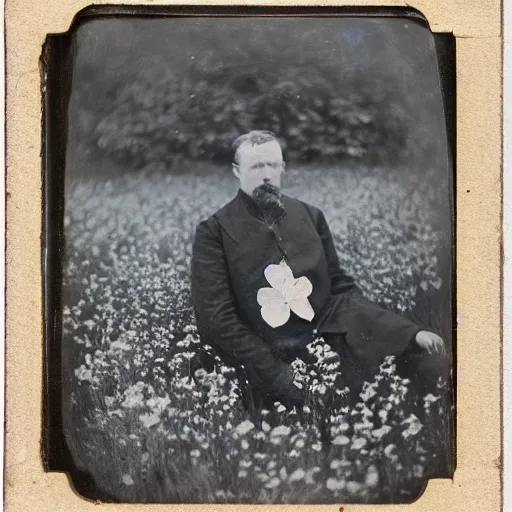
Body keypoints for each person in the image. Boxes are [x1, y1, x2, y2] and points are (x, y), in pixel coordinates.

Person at [191, 130, 448, 417]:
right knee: (318, 412)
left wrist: (409, 333)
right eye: (256, 166)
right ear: (237, 171)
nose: (266, 175)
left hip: (327, 341)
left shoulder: (310, 216)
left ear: (283, 168)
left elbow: (340, 289)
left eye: (273, 165)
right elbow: (217, 320)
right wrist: (283, 378)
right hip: (269, 357)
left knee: (424, 365)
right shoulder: (213, 231)